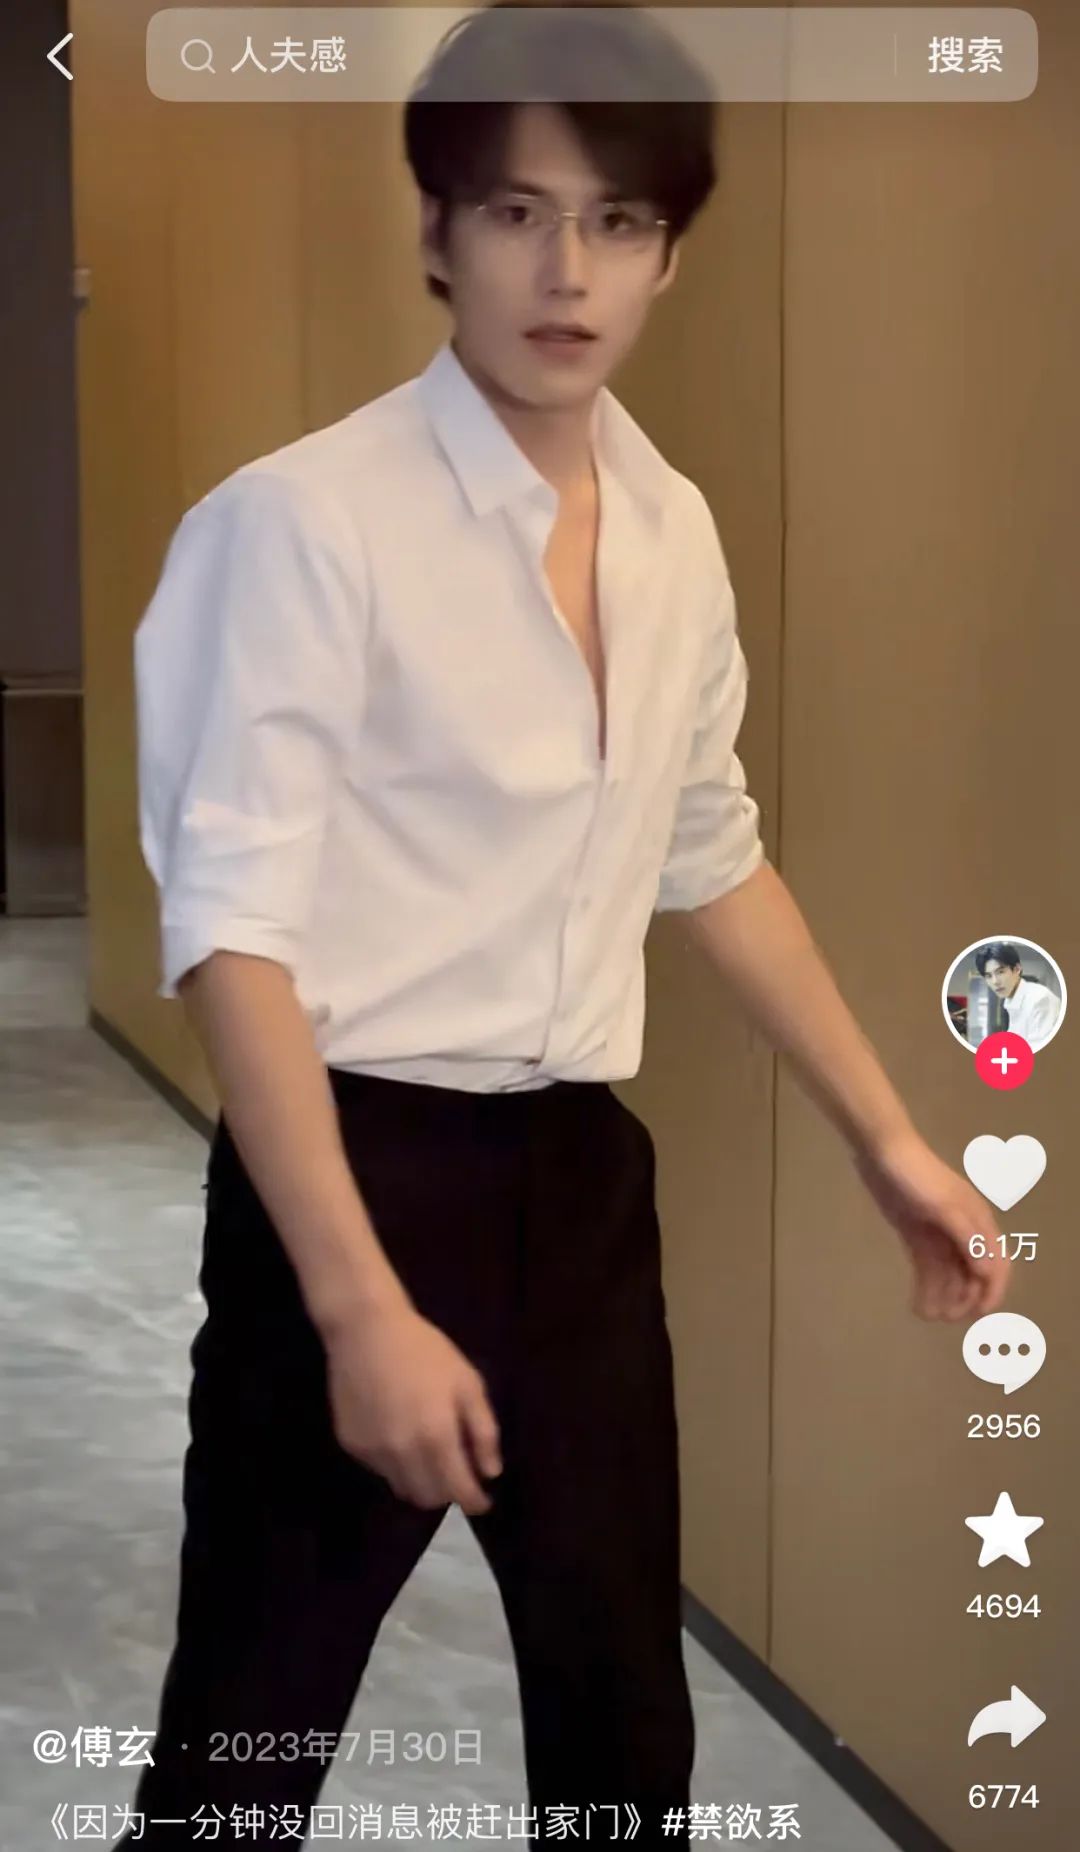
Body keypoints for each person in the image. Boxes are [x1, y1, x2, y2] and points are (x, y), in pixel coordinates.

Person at [121, 2, 1010, 1845]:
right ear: (436, 229)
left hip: (582, 1186)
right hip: (351, 1168)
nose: (567, 269)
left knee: (623, 1746)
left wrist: (890, 1140)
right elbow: (233, 934)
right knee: (244, 1759)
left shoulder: (674, 532)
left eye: (618, 222)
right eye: (518, 212)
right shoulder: (303, 526)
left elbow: (710, 854)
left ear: (672, 254)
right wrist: (360, 1307)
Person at [974, 941, 1062, 1050]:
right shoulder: (1010, 1001)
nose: (995, 981)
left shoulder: (1039, 998)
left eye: (1000, 972)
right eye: (988, 976)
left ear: (1017, 969)